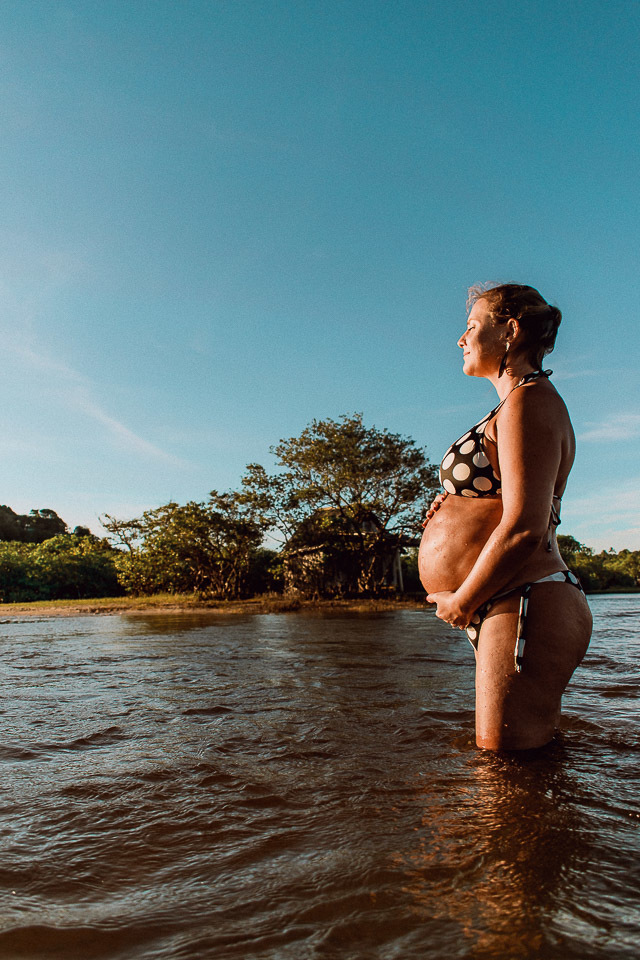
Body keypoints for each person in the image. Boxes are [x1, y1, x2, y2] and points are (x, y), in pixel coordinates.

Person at [418, 283, 592, 751]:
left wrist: (462, 602)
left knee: (507, 774)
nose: (461, 339)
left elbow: (525, 528)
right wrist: (455, 505)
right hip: (507, 600)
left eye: (472, 326)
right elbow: (510, 502)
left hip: (524, 598)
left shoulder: (528, 401)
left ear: (510, 331)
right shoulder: (516, 405)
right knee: (516, 769)